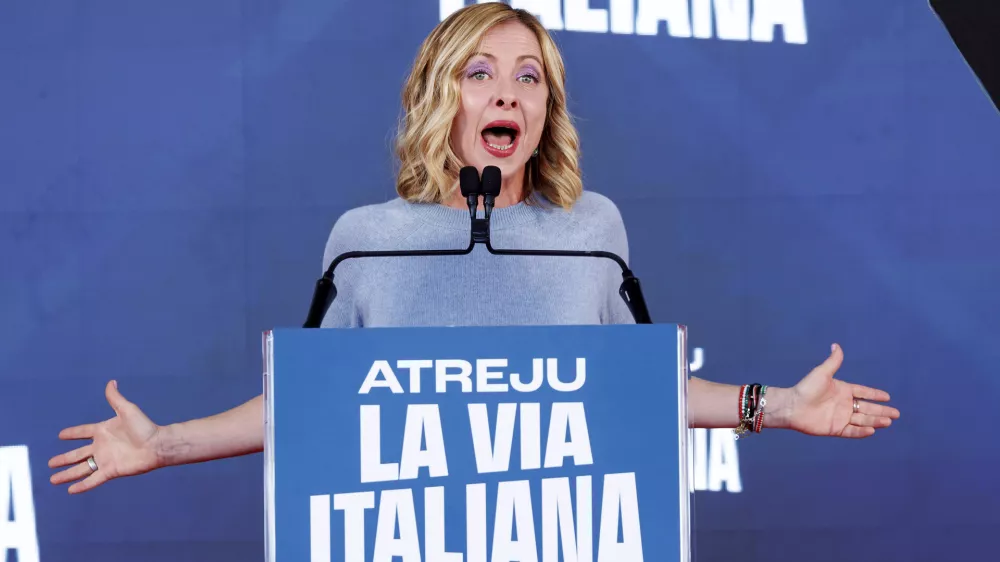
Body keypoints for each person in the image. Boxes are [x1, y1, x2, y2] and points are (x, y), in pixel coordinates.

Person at [48, 3, 899, 495]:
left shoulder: (592, 230)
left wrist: (780, 404)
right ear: (440, 98)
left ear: (547, 109)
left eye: (529, 76)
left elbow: (646, 387)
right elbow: (306, 402)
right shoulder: (363, 242)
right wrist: (162, 445)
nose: (508, 91)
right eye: (480, 72)